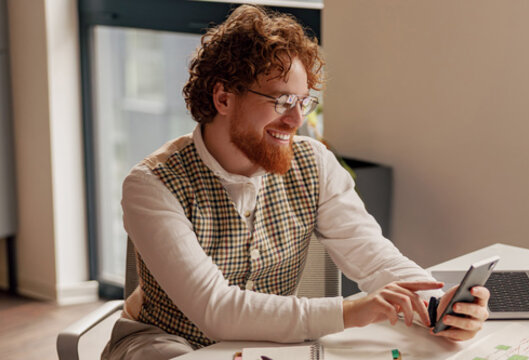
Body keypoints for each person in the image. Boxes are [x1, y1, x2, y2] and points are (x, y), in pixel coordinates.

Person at [102, 5, 490, 359]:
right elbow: (214, 310)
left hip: (263, 344)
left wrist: (439, 305)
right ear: (223, 97)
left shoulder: (313, 162)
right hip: (167, 343)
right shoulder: (152, 184)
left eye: (303, 102)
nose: (295, 121)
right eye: (281, 101)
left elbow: (372, 255)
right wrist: (351, 310)